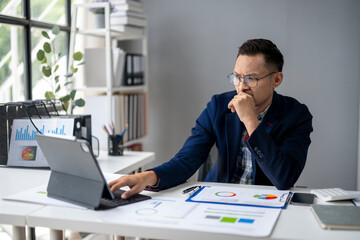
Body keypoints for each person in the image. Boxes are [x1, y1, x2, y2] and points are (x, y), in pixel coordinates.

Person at [109, 38, 313, 199]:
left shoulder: (296, 115)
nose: (241, 87)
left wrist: (251, 120)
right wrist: (149, 176)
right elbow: (188, 158)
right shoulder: (218, 106)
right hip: (219, 197)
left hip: (265, 203)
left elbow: (284, 178)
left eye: (252, 78)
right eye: (237, 77)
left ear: (276, 80)